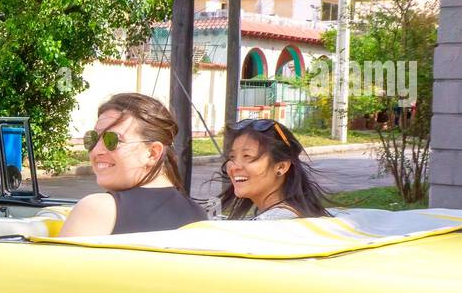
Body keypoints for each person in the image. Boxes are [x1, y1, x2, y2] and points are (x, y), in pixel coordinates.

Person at [58, 93, 206, 237]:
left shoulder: (97, 209)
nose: (96, 150)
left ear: (152, 153)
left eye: (113, 140)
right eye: (93, 138)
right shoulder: (198, 214)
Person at [217, 118, 329, 220]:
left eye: (247, 156)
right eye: (232, 157)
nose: (235, 167)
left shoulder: (271, 224)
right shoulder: (292, 214)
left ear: (281, 166)